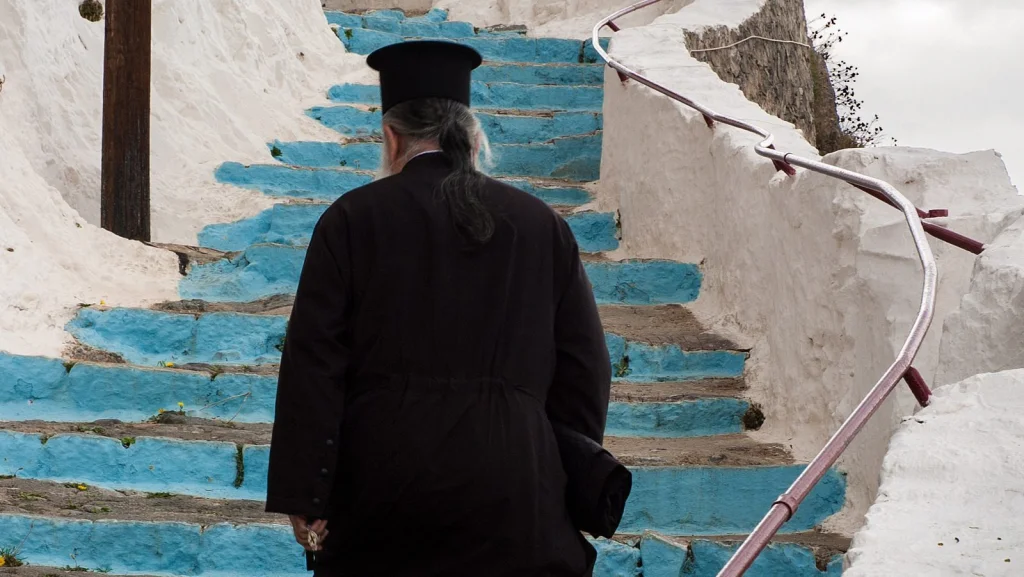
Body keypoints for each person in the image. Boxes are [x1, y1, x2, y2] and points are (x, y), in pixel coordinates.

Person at [265, 40, 612, 577]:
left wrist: (307, 493)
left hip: (383, 486)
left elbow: (315, 364)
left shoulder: (352, 219)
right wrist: (559, 469)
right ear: (474, 137)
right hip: (516, 483)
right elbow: (584, 366)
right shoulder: (541, 224)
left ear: (390, 136)